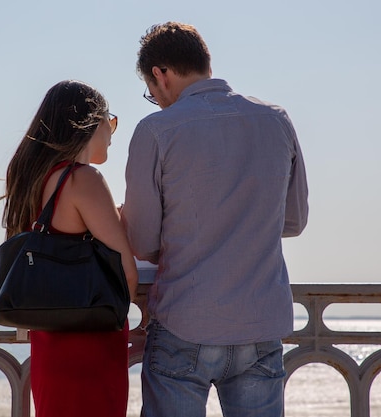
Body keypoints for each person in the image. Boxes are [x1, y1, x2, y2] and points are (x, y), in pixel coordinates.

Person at [121, 22, 309, 417]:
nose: (155, 100)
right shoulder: (276, 120)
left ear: (161, 74)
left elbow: (142, 241)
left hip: (183, 322)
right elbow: (293, 221)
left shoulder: (156, 130)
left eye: (151, 92)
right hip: (260, 322)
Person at [0, 80, 138, 417]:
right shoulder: (83, 179)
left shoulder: (30, 178)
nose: (112, 133)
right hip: (90, 346)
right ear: (93, 122)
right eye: (111, 121)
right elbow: (125, 275)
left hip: (48, 344)